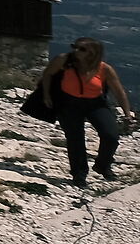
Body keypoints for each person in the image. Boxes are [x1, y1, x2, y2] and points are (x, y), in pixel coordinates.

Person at [41, 38, 136, 188]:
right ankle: (79, 175)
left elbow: (119, 91)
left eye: (82, 49)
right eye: (75, 47)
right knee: (75, 138)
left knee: (110, 136)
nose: (76, 51)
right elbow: (47, 74)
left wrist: (127, 113)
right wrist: (46, 95)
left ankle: (102, 165)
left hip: (95, 103)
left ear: (93, 53)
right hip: (68, 103)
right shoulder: (63, 61)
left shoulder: (104, 69)